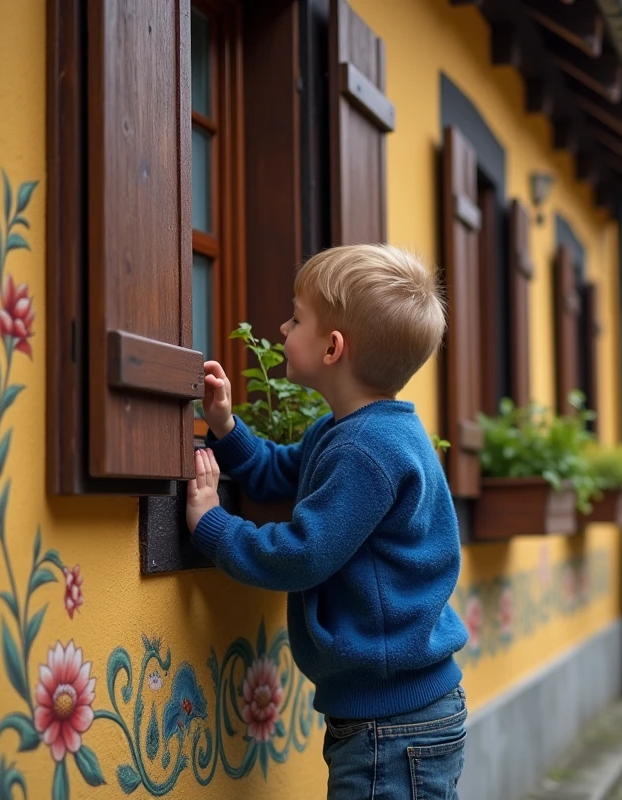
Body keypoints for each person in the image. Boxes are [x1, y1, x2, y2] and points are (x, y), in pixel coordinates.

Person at [185, 244, 469, 800]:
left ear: (333, 347)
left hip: (395, 723)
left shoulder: (368, 451)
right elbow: (273, 471)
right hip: (394, 715)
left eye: (296, 318)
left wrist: (213, 525)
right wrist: (225, 425)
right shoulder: (340, 433)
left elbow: (303, 553)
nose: (284, 326)